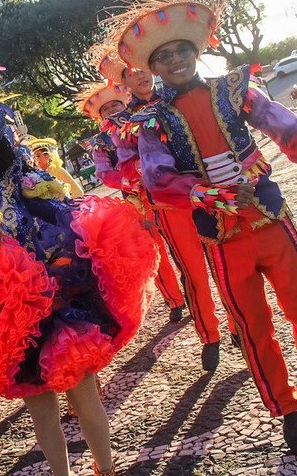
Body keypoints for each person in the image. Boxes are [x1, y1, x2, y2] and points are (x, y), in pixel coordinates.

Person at [0, 62, 158, 476]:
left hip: (53, 302)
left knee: (84, 395)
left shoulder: (17, 186)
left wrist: (102, 230)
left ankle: (106, 468)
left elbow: (61, 213)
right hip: (1, 316)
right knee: (41, 408)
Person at [112, 0, 297, 454]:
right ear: (152, 68)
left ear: (196, 51)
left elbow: (287, 128)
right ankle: (288, 410)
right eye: (163, 56)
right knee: (253, 329)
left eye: (182, 50)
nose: (175, 60)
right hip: (221, 237)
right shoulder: (152, 121)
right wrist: (208, 194)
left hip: (271, 219)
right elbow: (157, 178)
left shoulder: (235, 89)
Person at [92, 44, 230, 369]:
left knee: (225, 265)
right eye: (130, 73)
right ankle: (210, 334)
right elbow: (124, 166)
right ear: (124, 82)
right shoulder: (124, 124)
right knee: (193, 272)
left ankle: (238, 324)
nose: (140, 75)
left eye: (142, 68)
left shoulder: (179, 96)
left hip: (209, 197)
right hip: (167, 206)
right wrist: (149, 171)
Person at [78, 81, 189, 326]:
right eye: (106, 109)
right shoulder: (101, 142)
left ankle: (191, 290)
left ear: (125, 104)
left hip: (165, 190)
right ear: (100, 116)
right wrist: (128, 181)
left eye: (115, 105)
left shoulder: (144, 122)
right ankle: (174, 300)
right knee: (154, 249)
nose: (112, 110)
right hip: (135, 199)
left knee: (181, 243)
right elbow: (104, 173)